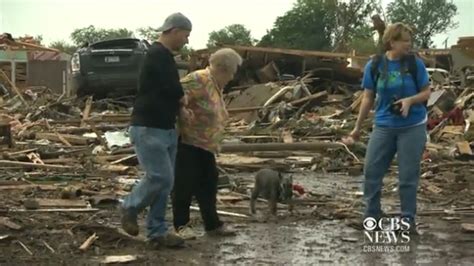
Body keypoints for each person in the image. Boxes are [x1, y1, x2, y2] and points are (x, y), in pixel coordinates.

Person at [343, 23, 431, 234]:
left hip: (412, 126)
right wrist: (357, 128)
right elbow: (367, 97)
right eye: (405, 41)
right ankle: (372, 216)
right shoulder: (375, 65)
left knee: (407, 177)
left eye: (410, 41)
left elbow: (427, 92)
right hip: (383, 125)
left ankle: (407, 222)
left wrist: (410, 100)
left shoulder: (414, 64)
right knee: (372, 171)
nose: (409, 45)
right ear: (392, 42)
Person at [120, 12, 192, 248]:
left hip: (165, 127)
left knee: (165, 184)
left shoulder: (165, 57)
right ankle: (129, 205)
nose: (187, 41)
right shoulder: (156, 54)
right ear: (173, 30)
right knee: (161, 177)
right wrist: (183, 101)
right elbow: (170, 86)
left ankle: (157, 232)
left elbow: (169, 89)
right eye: (186, 35)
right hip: (148, 127)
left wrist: (180, 109)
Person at [172, 48, 243, 239]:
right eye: (232, 72)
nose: (232, 77)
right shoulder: (199, 79)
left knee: (209, 183)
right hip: (189, 141)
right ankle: (181, 225)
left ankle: (212, 225)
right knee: (184, 184)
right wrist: (182, 113)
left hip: (205, 144)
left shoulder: (214, 83)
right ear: (223, 68)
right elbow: (173, 94)